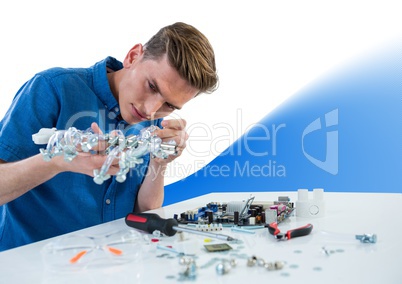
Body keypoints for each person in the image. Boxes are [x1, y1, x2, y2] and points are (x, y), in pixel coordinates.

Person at [0, 22, 218, 251]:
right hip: (31, 266)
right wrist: (58, 162)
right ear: (133, 57)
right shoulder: (53, 88)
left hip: (109, 264)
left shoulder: (152, 123)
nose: (150, 110)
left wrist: (159, 163)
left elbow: (143, 214)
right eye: (152, 86)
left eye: (169, 105)